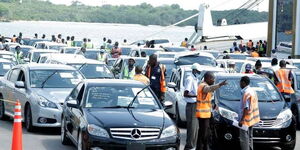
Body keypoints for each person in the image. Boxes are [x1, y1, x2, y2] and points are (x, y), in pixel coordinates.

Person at [196, 72, 227, 150]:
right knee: (204, 133)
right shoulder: (203, 86)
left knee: (203, 133)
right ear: (207, 78)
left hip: (206, 114)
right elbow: (208, 89)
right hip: (203, 115)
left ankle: (201, 147)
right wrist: (219, 85)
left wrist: (213, 107)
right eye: (212, 79)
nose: (213, 81)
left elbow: (208, 100)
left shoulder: (204, 85)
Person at [238, 76, 260, 150]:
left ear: (243, 83)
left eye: (240, 82)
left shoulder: (246, 93)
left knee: (244, 139)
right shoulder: (252, 91)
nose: (239, 84)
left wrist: (242, 120)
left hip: (245, 120)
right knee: (250, 137)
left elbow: (246, 108)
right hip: (251, 119)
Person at [183, 63, 201, 150]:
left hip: (196, 104)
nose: (199, 73)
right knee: (192, 127)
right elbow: (186, 94)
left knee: (196, 127)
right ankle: (189, 145)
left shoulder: (196, 79)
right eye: (198, 71)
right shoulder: (190, 79)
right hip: (191, 105)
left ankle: (193, 145)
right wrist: (196, 96)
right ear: (194, 70)